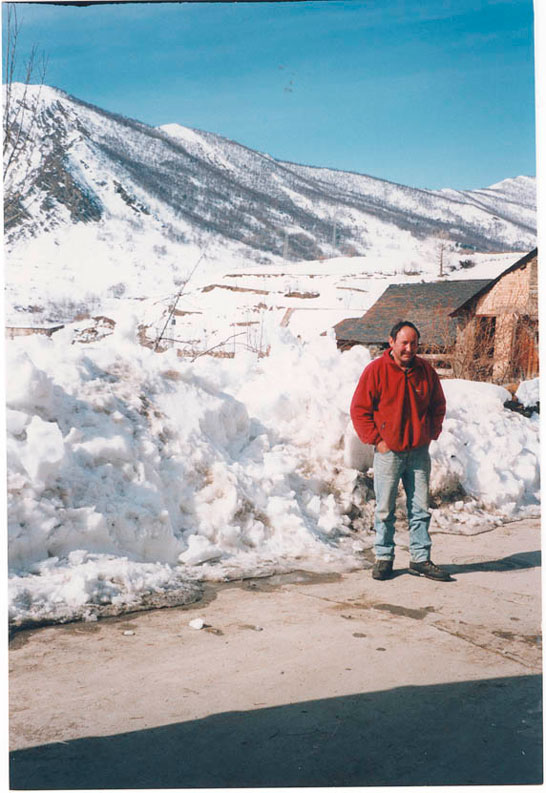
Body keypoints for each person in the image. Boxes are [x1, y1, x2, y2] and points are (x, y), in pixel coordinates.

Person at [350, 320, 452, 581]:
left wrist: (431, 432)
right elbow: (359, 410)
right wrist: (377, 439)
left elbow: (438, 405)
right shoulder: (375, 371)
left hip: (418, 452)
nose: (409, 348)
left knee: (420, 508)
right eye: (404, 343)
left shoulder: (425, 371)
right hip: (388, 453)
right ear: (391, 342)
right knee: (384, 509)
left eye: (413, 343)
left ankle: (420, 558)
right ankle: (384, 557)